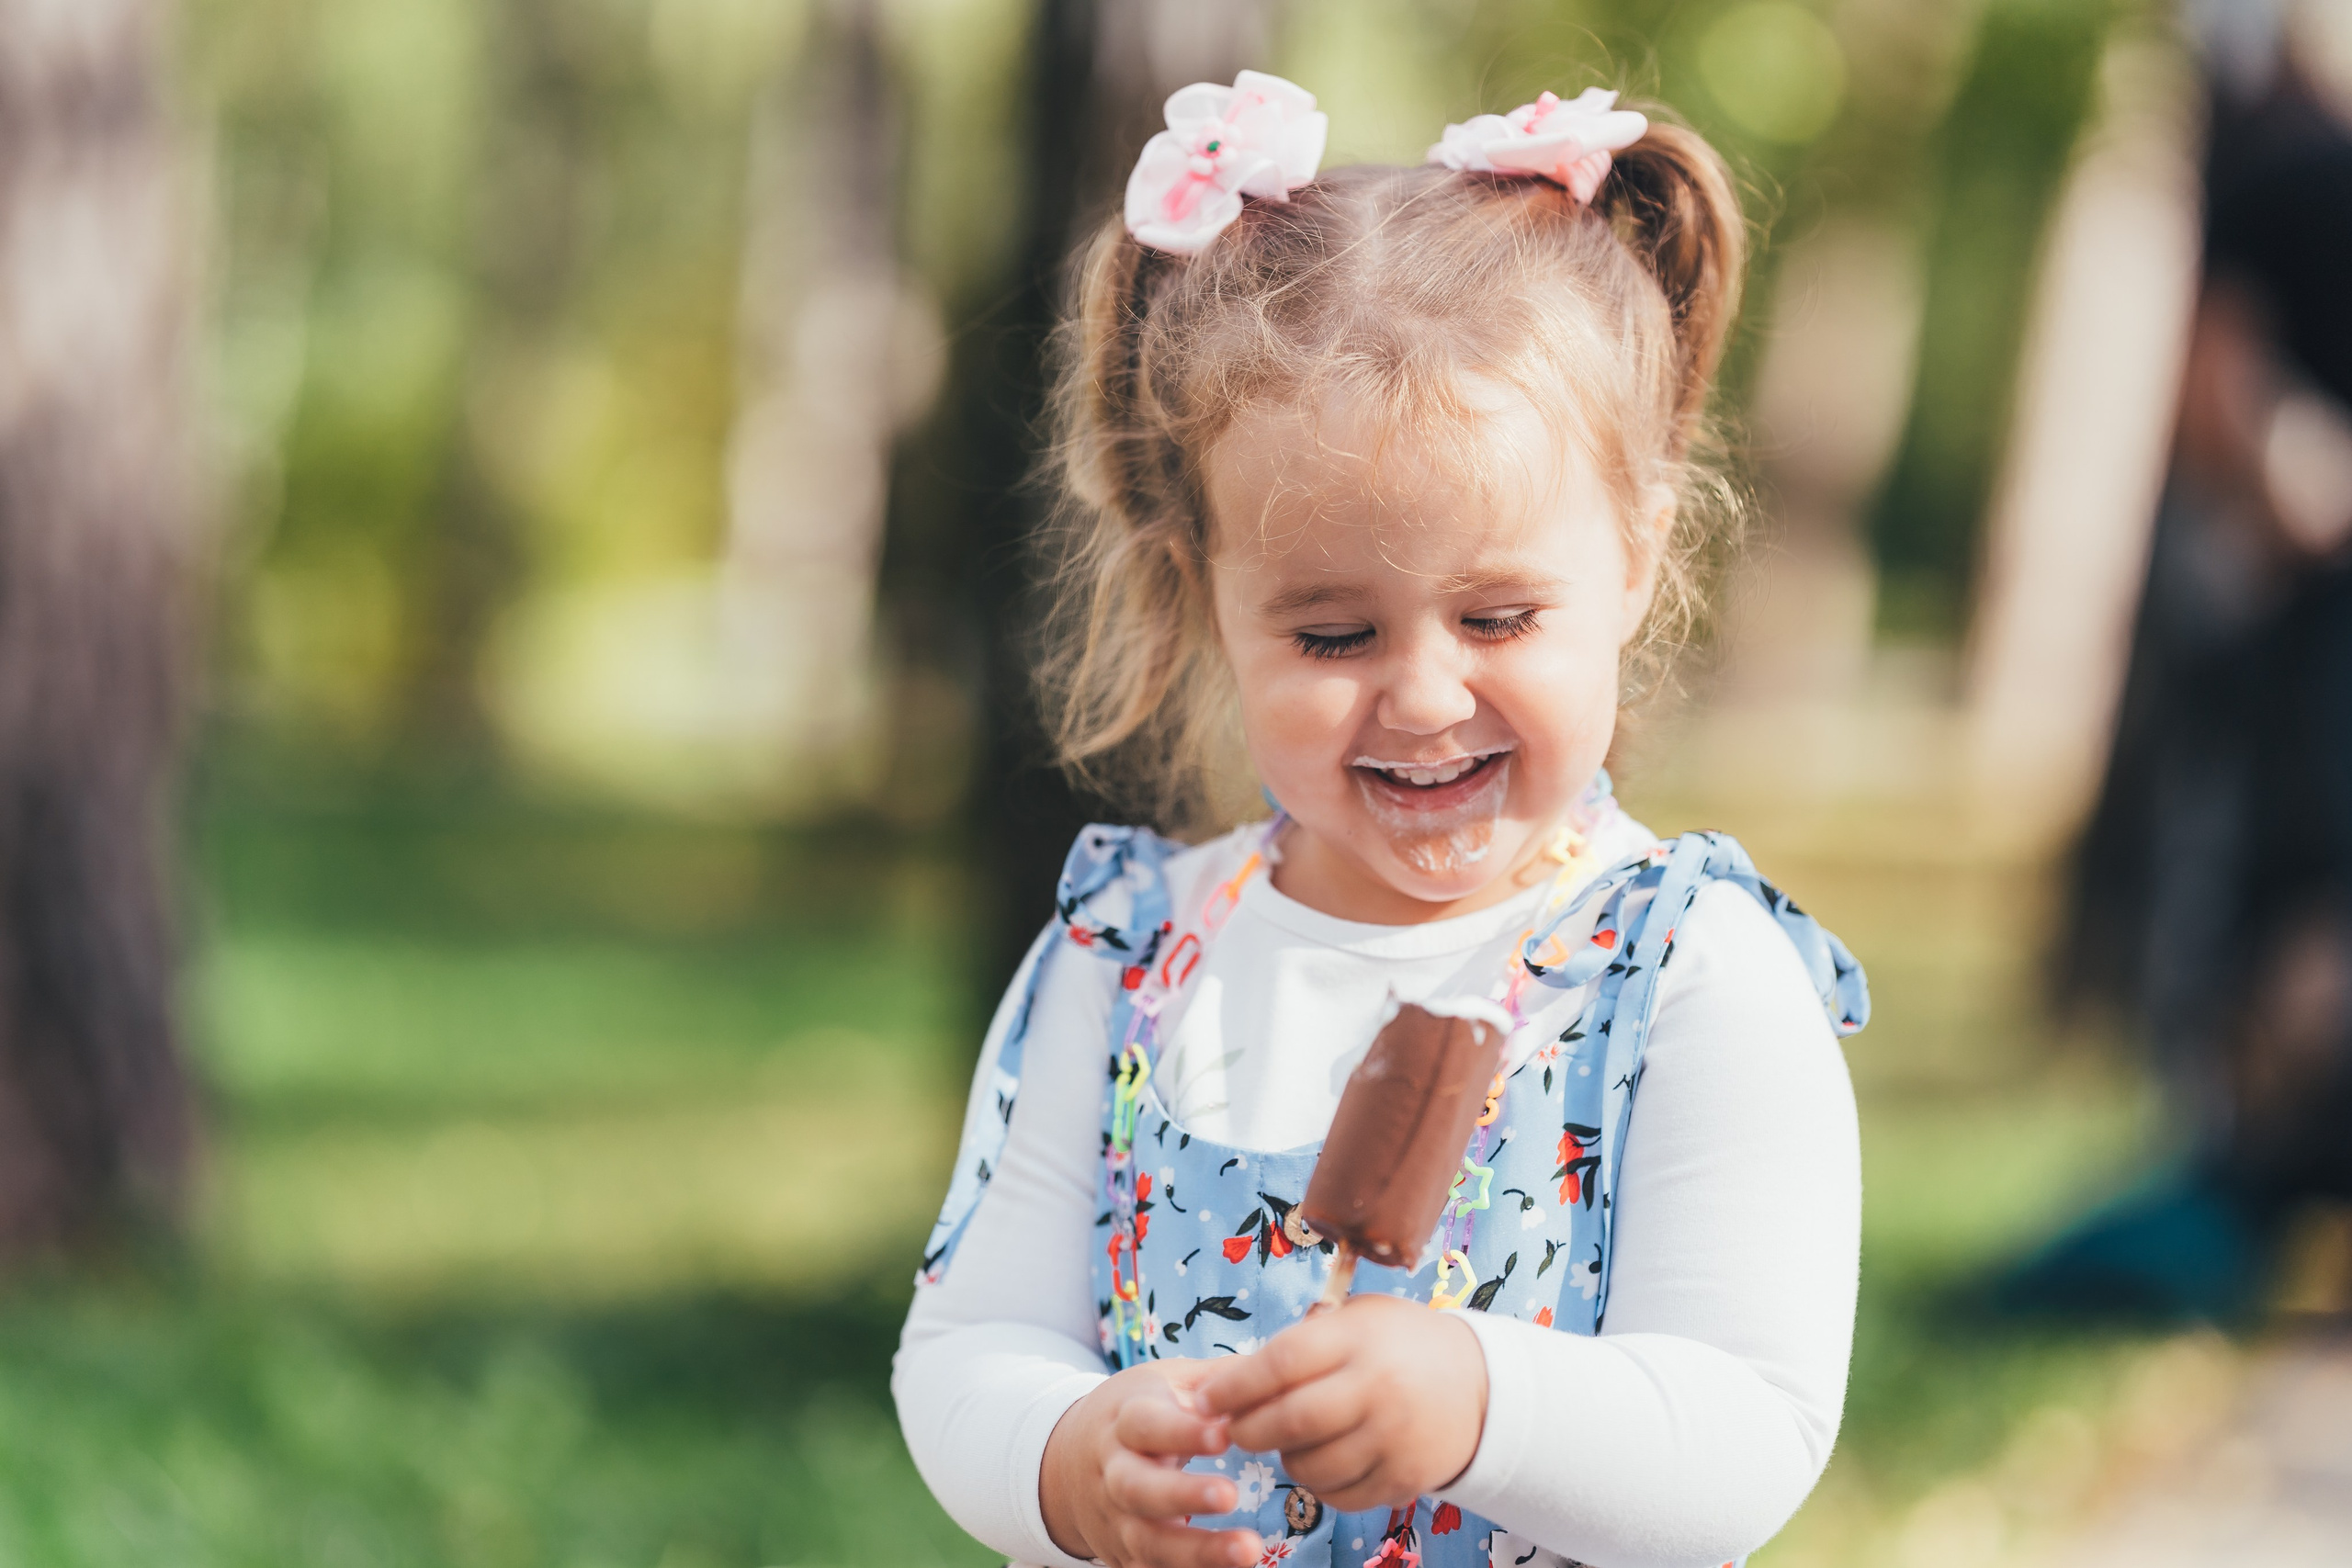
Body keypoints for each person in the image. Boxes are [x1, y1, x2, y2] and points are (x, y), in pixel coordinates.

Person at [894, 73, 1871, 1568]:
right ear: (1202, 595)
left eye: (1497, 615)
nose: (1422, 696)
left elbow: (1752, 1428)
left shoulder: (1683, 974)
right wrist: (1066, 1459)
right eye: (1332, 636)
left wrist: (1488, 1397)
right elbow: (966, 1347)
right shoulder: (1127, 955)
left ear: (1633, 557)